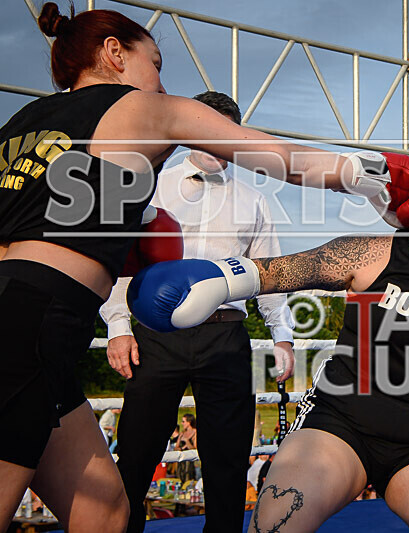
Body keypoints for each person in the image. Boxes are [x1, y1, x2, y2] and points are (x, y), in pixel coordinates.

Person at [0, 3, 409, 531]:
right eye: (155, 61)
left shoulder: (21, 123)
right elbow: (284, 157)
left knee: (104, 512)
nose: (159, 78)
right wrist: (380, 175)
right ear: (114, 53)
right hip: (34, 322)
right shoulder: (144, 109)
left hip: (38, 323)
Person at [127, 155, 409, 532]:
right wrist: (216, 280)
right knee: (275, 525)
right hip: (337, 426)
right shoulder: (375, 254)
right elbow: (280, 271)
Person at [99, 90, 297, 533]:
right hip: (155, 335)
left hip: (225, 336)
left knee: (227, 458)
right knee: (136, 451)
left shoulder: (255, 201)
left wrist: (282, 335)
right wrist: (117, 326)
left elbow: (267, 272)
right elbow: (119, 260)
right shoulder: (151, 185)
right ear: (190, 135)